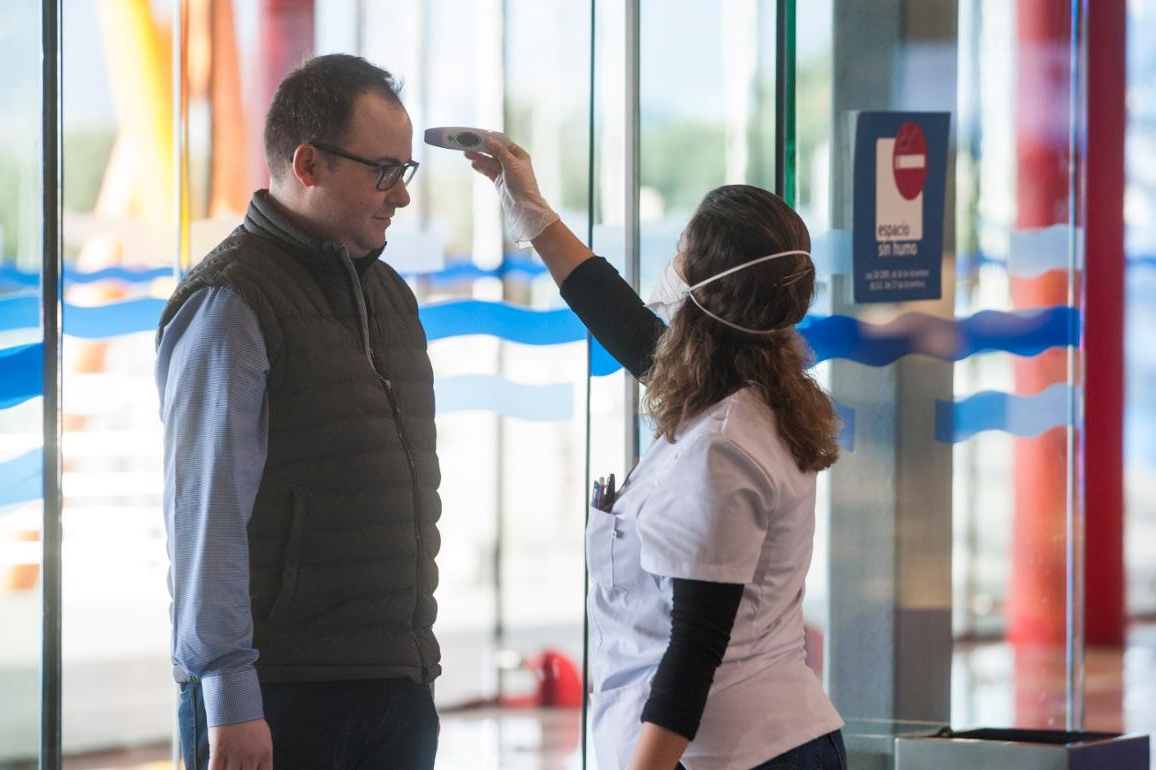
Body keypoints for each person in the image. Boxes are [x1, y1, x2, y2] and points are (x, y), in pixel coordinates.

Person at [467, 139, 848, 770]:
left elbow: (693, 651)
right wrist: (531, 212)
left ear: (706, 288)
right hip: (773, 737)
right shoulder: (757, 390)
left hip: (729, 753)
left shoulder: (722, 450)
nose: (670, 266)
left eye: (681, 253)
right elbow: (626, 326)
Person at [155, 54, 441, 770]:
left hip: (394, 689)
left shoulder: (393, 298)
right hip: (278, 699)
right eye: (384, 171)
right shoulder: (232, 301)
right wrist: (229, 691)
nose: (400, 196)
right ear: (308, 163)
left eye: (406, 171)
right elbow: (207, 515)